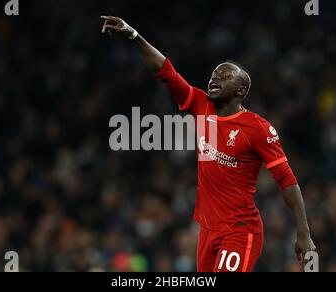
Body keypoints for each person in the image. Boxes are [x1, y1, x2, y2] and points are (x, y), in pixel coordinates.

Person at [101, 16, 316, 272]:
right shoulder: (201, 105)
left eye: (224, 76)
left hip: (239, 230)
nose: (215, 78)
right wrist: (133, 35)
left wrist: (303, 232)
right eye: (214, 74)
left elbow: (287, 181)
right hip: (207, 230)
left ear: (240, 91)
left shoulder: (258, 128)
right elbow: (165, 71)